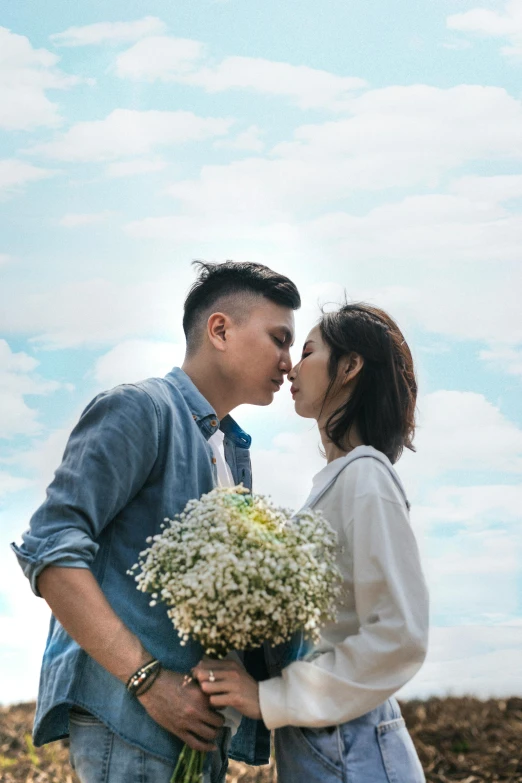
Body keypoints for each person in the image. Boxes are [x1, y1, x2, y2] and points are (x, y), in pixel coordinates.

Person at [11, 261, 301, 783]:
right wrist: (149, 682)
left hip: (197, 737)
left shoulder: (232, 452)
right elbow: (51, 551)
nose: (289, 362)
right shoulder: (140, 409)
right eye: (279, 339)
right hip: (131, 731)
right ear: (220, 329)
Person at [193, 302, 430, 782]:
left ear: (350, 366)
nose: (290, 366)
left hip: (353, 747)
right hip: (320, 745)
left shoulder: (366, 476)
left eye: (306, 351)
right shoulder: (337, 481)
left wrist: (270, 698)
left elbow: (401, 633)